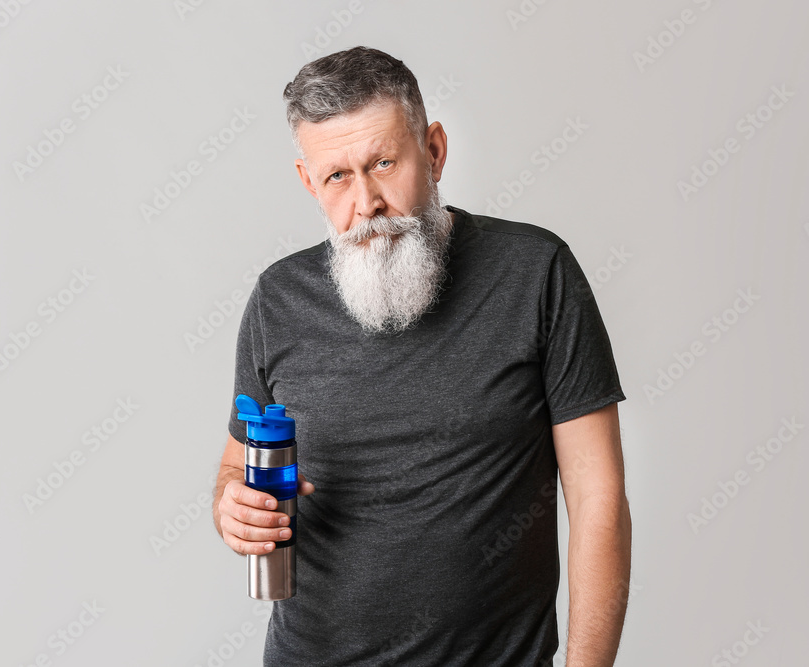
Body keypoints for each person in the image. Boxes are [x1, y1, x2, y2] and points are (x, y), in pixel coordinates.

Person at [212, 45, 632, 666]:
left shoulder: (535, 273)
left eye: (384, 162)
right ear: (309, 182)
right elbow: (234, 468)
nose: (367, 202)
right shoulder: (279, 300)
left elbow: (599, 499)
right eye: (337, 176)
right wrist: (231, 509)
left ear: (433, 151)